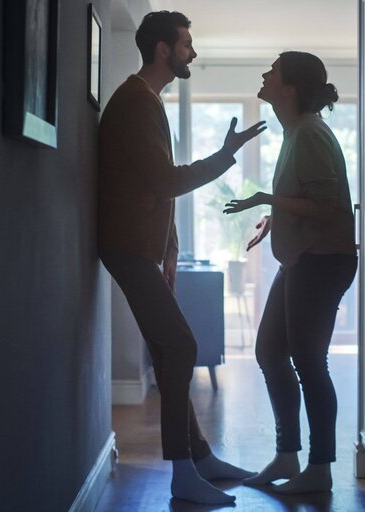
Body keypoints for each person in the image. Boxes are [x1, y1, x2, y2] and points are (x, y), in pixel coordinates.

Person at [98, 11, 266, 505]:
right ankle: (183, 476)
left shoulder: (147, 101)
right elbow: (167, 181)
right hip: (126, 248)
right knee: (183, 347)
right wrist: (225, 153)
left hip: (138, 249)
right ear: (163, 50)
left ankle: (201, 458)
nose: (193, 52)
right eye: (187, 44)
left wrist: (168, 250)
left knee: (171, 350)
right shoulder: (134, 102)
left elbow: (154, 185)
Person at [223, 51, 357, 494]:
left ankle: (319, 470)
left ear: (291, 87)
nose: (264, 74)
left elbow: (325, 207)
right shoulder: (297, 131)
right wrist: (276, 218)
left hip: (323, 261)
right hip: (304, 258)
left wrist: (266, 200)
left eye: (273, 71)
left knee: (307, 362)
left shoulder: (310, 134)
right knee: (269, 352)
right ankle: (287, 456)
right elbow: (309, 200)